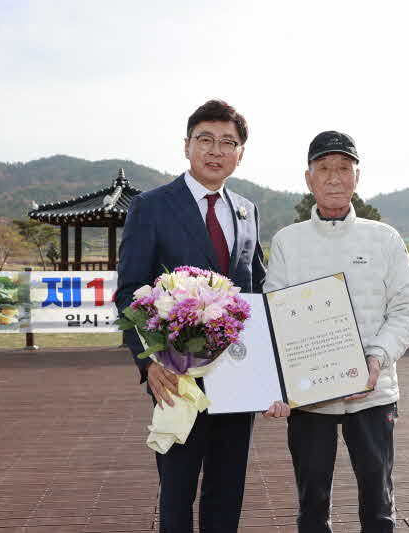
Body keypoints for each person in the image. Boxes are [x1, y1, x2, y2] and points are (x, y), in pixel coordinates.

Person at [116, 99, 273, 533]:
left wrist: (271, 372)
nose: (216, 150)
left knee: (227, 488)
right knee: (177, 488)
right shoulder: (151, 207)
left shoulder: (247, 210)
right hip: (177, 375)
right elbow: (129, 290)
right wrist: (147, 362)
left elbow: (256, 290)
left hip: (238, 375)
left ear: (241, 154)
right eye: (205, 139)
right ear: (186, 146)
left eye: (229, 142)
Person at [264, 131, 409, 533]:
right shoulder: (287, 241)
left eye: (343, 168)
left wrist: (377, 359)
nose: (334, 178)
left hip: (374, 391)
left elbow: (406, 309)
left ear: (357, 176)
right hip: (310, 396)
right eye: (324, 169)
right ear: (308, 178)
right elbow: (274, 317)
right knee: (312, 504)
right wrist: (277, 385)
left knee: (378, 502)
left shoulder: (384, 237)